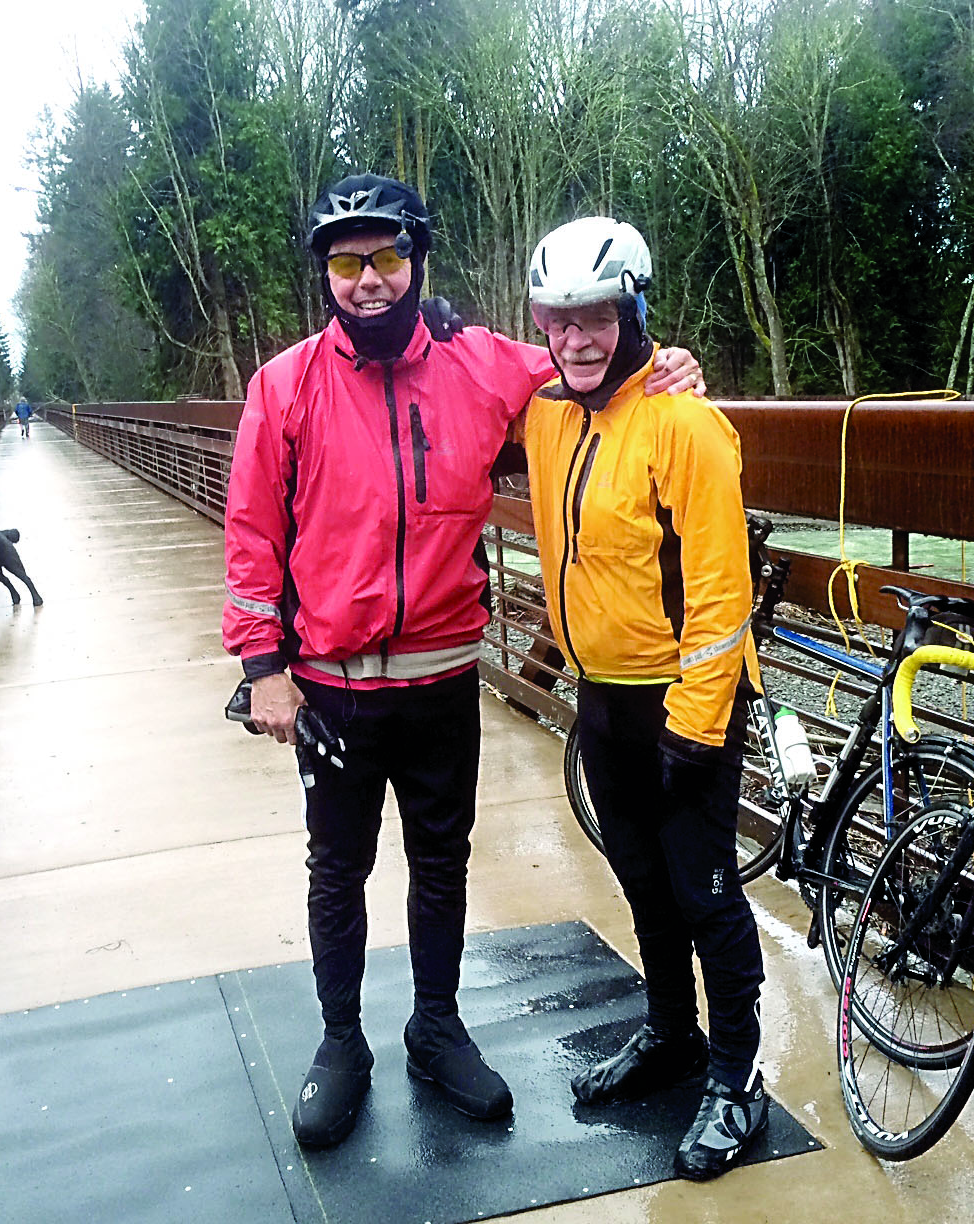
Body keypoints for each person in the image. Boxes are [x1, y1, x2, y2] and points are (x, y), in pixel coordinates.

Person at [223, 174, 704, 1150]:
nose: (367, 280)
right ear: (325, 273)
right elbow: (250, 532)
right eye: (347, 262)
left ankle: (435, 1026)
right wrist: (262, 663)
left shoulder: (481, 366)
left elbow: (588, 367)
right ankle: (341, 1042)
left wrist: (669, 370)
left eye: (387, 258)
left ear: (418, 262)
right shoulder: (285, 386)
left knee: (441, 865)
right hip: (335, 690)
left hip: (443, 681)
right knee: (338, 868)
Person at [516, 217, 766, 1181]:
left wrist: (699, 727)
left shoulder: (685, 424)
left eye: (595, 317)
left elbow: (720, 590)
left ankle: (736, 1079)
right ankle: (671, 1034)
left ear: (632, 313)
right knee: (643, 884)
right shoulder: (547, 413)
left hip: (682, 706)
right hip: (602, 699)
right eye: (555, 318)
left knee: (706, 897)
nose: (574, 337)